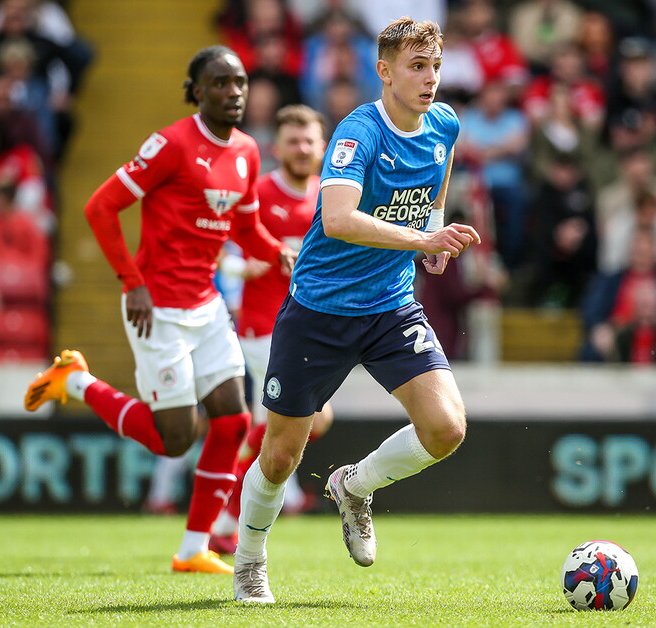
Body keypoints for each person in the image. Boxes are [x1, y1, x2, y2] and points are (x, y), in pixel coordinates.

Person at [232, 17, 481, 604]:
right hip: (319, 309)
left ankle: (353, 486)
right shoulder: (357, 131)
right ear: (385, 70)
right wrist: (420, 241)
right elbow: (339, 219)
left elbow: (437, 174)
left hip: (391, 307)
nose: (430, 79)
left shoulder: (444, 123)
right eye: (417, 67)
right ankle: (248, 558)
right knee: (280, 455)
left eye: (436, 67)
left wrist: (433, 228)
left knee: (446, 428)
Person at [23, 46, 294, 576]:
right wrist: (132, 281)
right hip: (158, 308)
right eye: (219, 83)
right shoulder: (171, 144)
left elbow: (244, 227)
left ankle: (193, 549)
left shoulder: (247, 151)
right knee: (174, 439)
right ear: (195, 91)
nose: (233, 93)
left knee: (233, 420)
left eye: (239, 83)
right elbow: (100, 207)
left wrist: (278, 253)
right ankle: (75, 381)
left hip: (207, 306)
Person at [209, 104, 334, 554]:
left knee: (279, 427)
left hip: (313, 330)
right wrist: (245, 265)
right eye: (293, 141)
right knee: (313, 418)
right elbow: (222, 251)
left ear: (323, 148)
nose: (301, 149)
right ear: (276, 147)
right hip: (265, 329)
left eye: (309, 141)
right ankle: (228, 512)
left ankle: (224, 512)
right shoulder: (258, 193)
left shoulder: (332, 196)